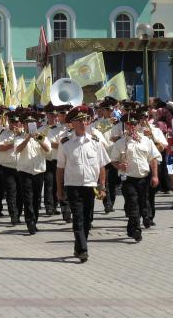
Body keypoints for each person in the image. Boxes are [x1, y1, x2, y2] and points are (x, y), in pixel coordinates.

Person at [56, 105, 110, 262]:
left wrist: (102, 186)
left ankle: (79, 246)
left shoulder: (95, 141)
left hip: (90, 186)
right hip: (73, 187)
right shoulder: (65, 143)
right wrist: (59, 189)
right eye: (78, 121)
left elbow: (101, 166)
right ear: (72, 124)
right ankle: (83, 249)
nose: (82, 123)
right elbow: (60, 168)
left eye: (85, 120)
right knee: (78, 218)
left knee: (87, 219)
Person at [110, 111, 161, 242]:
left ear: (138, 125)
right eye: (128, 124)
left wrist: (155, 176)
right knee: (133, 204)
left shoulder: (146, 140)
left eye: (134, 124)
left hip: (144, 177)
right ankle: (137, 230)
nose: (131, 126)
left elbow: (153, 159)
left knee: (143, 203)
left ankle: (131, 228)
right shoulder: (120, 143)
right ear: (125, 126)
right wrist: (119, 166)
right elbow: (113, 160)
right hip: (128, 179)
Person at [15, 113, 51, 234]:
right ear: (24, 125)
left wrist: (38, 139)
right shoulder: (19, 137)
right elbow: (17, 149)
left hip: (39, 171)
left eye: (32, 123)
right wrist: (27, 138)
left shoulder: (42, 136)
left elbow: (48, 150)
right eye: (27, 123)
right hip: (25, 171)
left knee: (36, 199)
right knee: (27, 198)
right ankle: (29, 221)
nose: (29, 125)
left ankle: (34, 220)